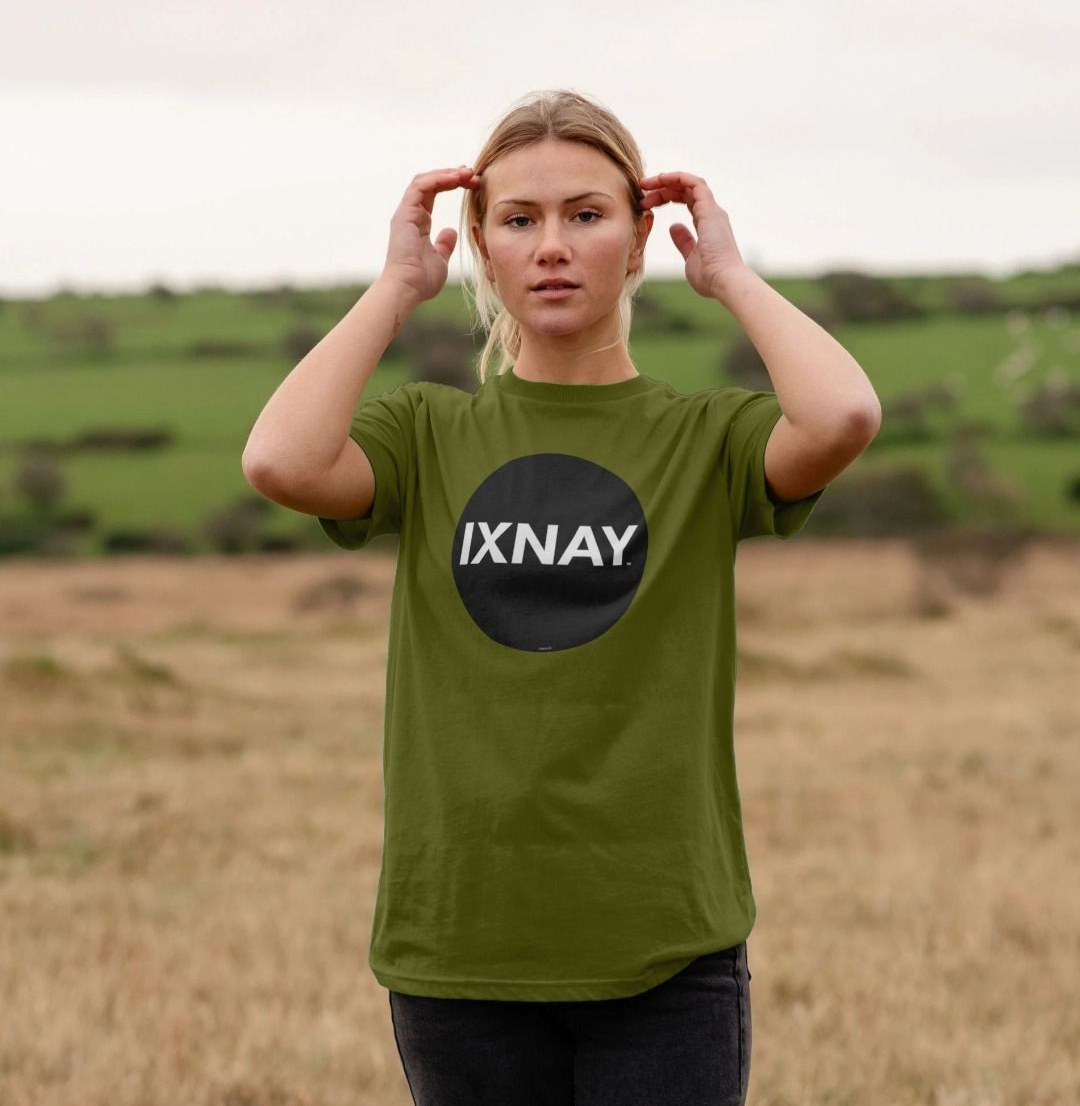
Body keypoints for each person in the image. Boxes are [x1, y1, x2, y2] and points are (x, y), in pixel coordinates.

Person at [242, 89, 881, 1106]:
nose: (552, 245)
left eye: (587, 215)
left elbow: (844, 411)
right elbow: (279, 460)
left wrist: (727, 273)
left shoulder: (705, 439)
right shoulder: (428, 434)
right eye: (519, 219)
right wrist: (399, 284)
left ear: (637, 242)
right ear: (482, 246)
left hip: (663, 947)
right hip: (460, 940)